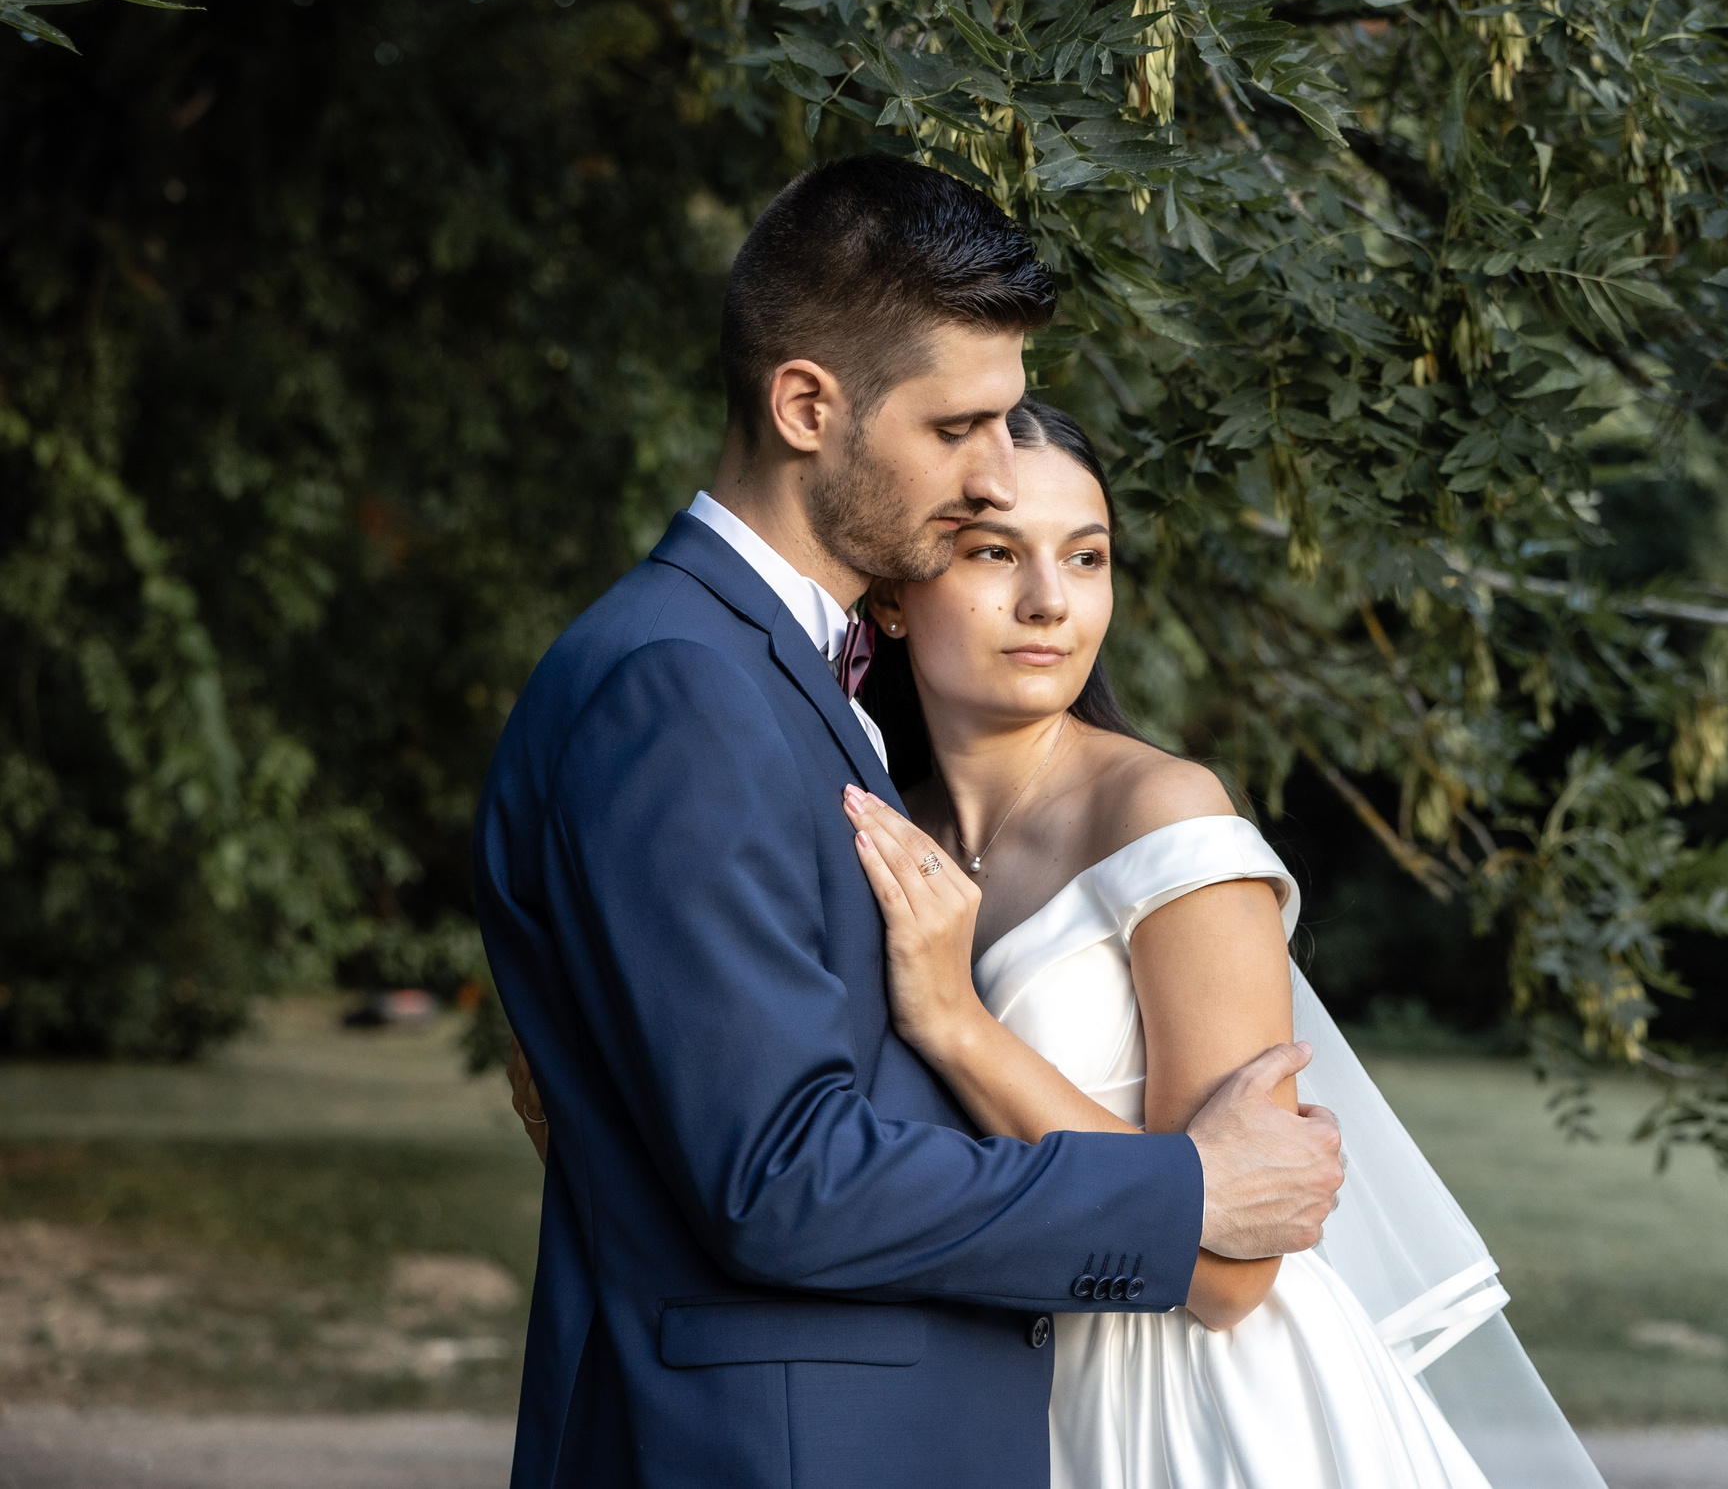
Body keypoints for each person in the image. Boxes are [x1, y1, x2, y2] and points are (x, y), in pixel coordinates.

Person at [475, 156, 1343, 1489]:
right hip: (780, 1447)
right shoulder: (683, 684)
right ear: (808, 404)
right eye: (959, 430)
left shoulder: (786, 681)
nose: (999, 478)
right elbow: (779, 1172)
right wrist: (1188, 1191)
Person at [837, 397, 1608, 1489]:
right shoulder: (880, 830)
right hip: (982, 1391)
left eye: (1087, 557)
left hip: (1198, 1409)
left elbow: (1234, 1277)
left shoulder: (1165, 818)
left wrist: (957, 1026)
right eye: (993, 552)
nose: (1049, 601)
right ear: (898, 595)